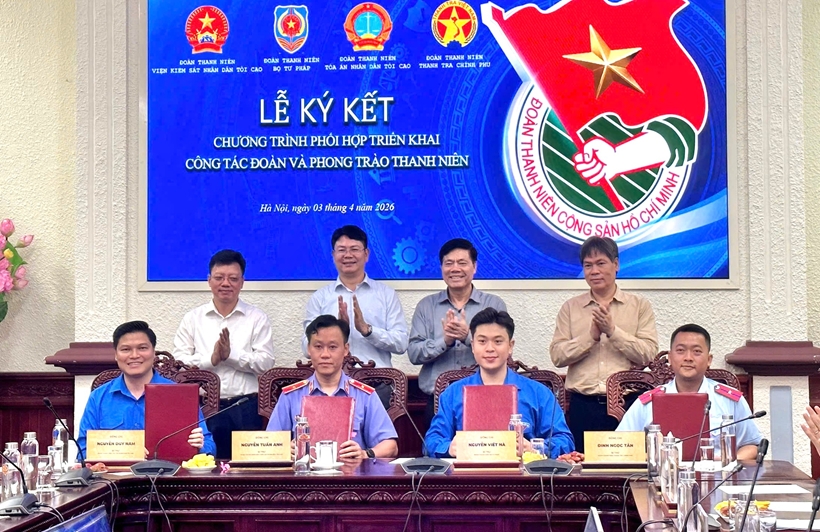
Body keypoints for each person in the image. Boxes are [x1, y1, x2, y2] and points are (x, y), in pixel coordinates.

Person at [549, 236, 658, 452]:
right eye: (588, 265)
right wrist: (590, 337)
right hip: (583, 405)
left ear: (616, 264)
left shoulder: (639, 306)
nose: (594, 271)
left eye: (601, 263)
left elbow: (648, 354)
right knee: (584, 467)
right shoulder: (570, 308)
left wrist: (612, 331)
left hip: (628, 405)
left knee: (627, 467)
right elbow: (557, 356)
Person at [425, 308, 575, 459]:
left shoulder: (539, 393)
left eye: (498, 341)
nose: (490, 349)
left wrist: (534, 447)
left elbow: (565, 441)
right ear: (473, 346)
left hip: (522, 472)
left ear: (510, 346)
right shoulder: (453, 393)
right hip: (468, 472)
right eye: (482, 341)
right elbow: (431, 441)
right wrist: (449, 448)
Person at [173, 249, 275, 459]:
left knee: (247, 468)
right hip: (204, 407)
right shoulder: (193, 319)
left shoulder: (257, 318)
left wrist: (232, 356)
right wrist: (211, 360)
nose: (225, 283)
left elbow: (266, 362)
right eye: (219, 278)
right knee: (205, 463)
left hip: (246, 406)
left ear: (242, 282)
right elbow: (178, 365)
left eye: (233, 278)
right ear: (209, 280)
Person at [617, 324, 762, 460]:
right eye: (680, 350)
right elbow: (622, 447)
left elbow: (752, 445)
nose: (688, 358)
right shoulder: (648, 402)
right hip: (663, 476)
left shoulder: (730, 400)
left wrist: (725, 462)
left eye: (696, 351)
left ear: (709, 360)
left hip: (717, 476)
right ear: (670, 358)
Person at [77, 321, 216, 458]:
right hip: (116, 473)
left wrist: (200, 446)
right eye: (125, 349)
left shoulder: (180, 396)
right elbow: (83, 452)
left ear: (154, 353)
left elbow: (210, 447)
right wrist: (125, 452)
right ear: (116, 355)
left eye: (142, 348)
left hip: (168, 472)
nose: (134, 355)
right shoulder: (99, 397)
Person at [267, 315, 398, 459]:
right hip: (304, 472)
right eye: (318, 347)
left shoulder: (365, 395)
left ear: (345, 349)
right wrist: (284, 450)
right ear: (309, 349)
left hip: (352, 472)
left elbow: (390, 446)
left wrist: (365, 454)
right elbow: (269, 446)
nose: (325, 354)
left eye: (333, 347)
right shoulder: (291, 396)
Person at [408, 238, 507, 423]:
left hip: (484, 397)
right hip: (438, 400)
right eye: (449, 263)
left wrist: (468, 337)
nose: (455, 269)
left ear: (474, 267)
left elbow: (502, 351)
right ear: (441, 268)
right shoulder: (426, 306)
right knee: (438, 443)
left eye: (462, 263)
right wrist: (444, 342)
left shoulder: (493, 304)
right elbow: (413, 354)